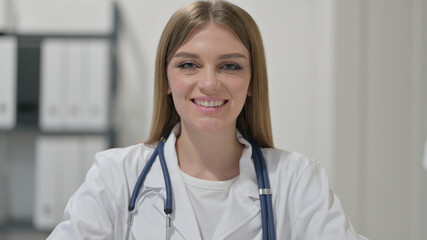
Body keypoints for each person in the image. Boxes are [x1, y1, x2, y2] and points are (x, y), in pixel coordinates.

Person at [48, 1, 368, 239]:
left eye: (230, 66)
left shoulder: (296, 181)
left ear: (253, 81)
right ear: (166, 79)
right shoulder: (116, 176)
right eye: (189, 65)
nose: (210, 83)